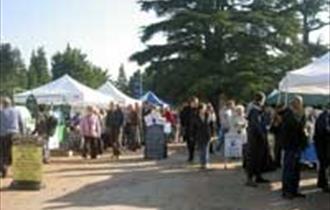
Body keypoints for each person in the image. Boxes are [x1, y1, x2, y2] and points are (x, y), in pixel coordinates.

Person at [281, 96, 308, 199]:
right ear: (294, 103)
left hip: (298, 146)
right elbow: (292, 128)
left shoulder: (300, 114)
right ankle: (286, 191)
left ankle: (294, 190)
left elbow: (301, 127)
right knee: (288, 169)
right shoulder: (288, 114)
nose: (300, 105)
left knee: (296, 169)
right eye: (298, 102)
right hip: (290, 146)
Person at [245, 92, 270, 187]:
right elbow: (256, 125)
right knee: (253, 158)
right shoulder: (254, 110)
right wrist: (262, 135)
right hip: (255, 138)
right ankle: (249, 178)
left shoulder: (257, 109)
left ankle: (258, 176)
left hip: (256, 137)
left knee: (259, 157)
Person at [0, 97, 23, 178]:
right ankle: (18, 171)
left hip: (3, 135)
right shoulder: (16, 111)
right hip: (15, 134)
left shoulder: (1, 112)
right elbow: (21, 123)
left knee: (3, 153)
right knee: (16, 153)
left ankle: (4, 169)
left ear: (3, 104)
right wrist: (22, 134)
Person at [314, 103, 330, 193]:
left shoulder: (323, 116)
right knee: (325, 165)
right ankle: (324, 185)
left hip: (322, 145)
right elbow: (324, 130)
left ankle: (322, 183)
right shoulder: (325, 117)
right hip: (324, 146)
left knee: (323, 166)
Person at [192, 104, 211, 169]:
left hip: (206, 134)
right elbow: (193, 127)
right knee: (201, 149)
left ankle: (206, 162)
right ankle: (202, 163)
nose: (204, 110)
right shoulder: (195, 117)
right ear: (200, 109)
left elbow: (211, 125)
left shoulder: (208, 115)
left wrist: (213, 134)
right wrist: (192, 135)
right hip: (199, 134)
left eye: (204, 108)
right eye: (203, 108)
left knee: (206, 149)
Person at [186, 97, 199, 162]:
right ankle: (191, 155)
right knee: (189, 143)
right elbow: (184, 118)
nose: (195, 104)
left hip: (197, 129)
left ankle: (193, 155)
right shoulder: (187, 110)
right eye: (194, 102)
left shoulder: (198, 110)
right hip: (189, 129)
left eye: (196, 102)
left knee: (194, 143)